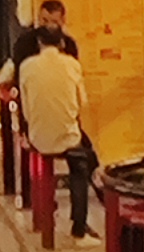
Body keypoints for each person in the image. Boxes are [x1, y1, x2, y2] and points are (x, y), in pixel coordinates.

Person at [16, 25, 96, 237]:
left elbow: (25, 108)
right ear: (62, 43)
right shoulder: (72, 65)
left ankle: (42, 218)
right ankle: (79, 226)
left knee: (49, 158)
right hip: (68, 136)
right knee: (81, 165)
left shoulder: (26, 66)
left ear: (39, 43)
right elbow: (83, 103)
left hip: (37, 137)